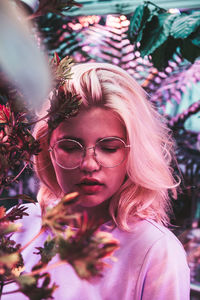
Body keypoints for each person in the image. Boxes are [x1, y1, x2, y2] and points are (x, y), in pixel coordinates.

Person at [2, 62, 190, 299]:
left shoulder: (155, 250)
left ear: (133, 153)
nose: (89, 164)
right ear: (46, 148)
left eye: (109, 148)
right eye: (70, 147)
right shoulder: (19, 226)